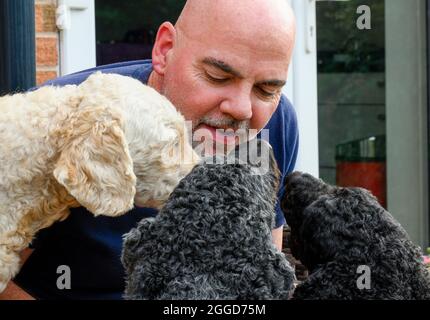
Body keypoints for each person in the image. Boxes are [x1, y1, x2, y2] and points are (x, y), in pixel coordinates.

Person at [0, 0, 298, 300]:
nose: (242, 109)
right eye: (218, 77)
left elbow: (262, 269)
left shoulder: (275, 124)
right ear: (165, 50)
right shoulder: (56, 130)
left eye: (266, 90)